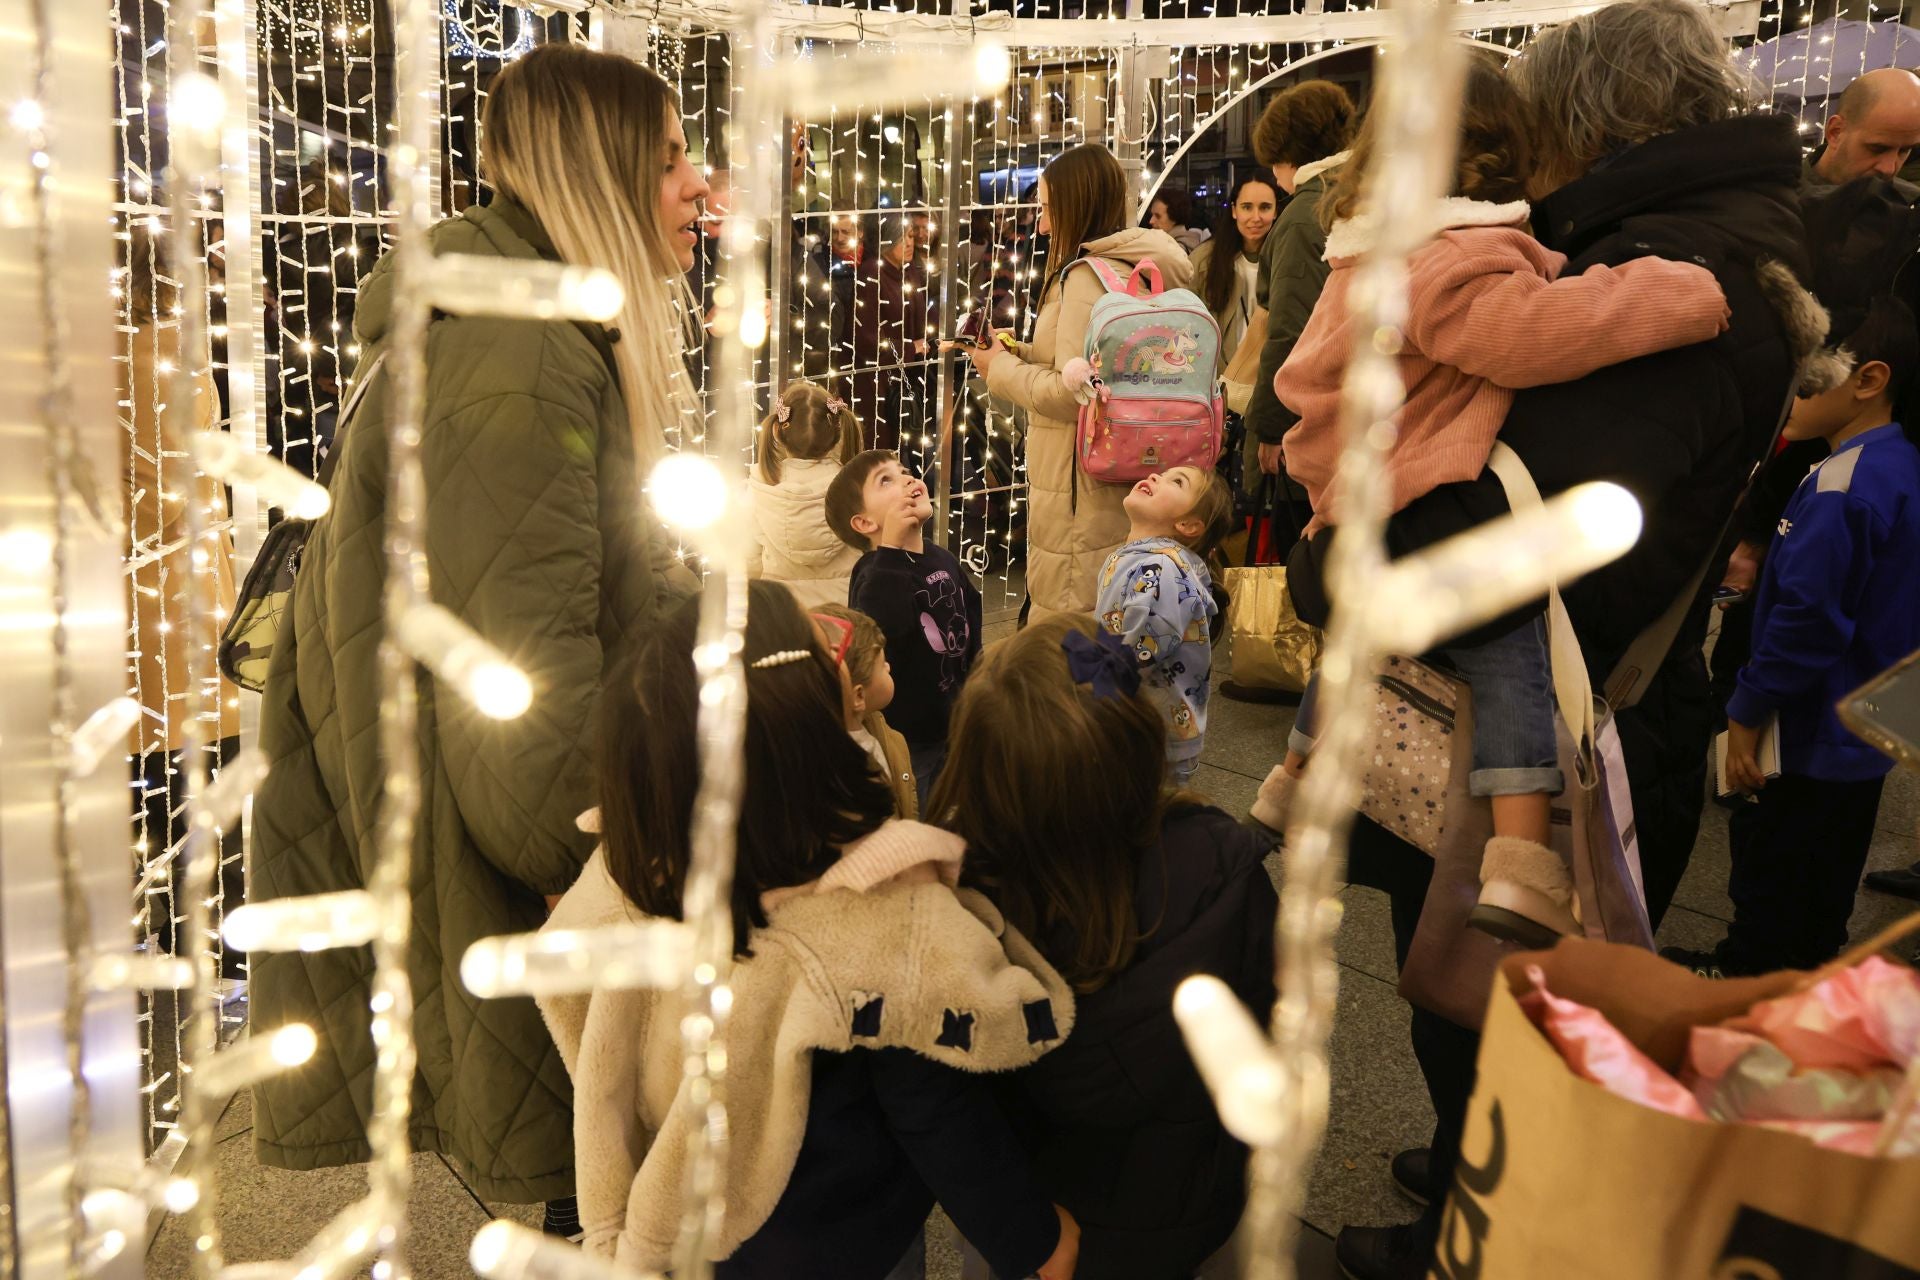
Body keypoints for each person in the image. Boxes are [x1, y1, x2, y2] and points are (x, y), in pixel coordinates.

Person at [1281, 9, 1827, 1276]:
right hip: (1605, 683)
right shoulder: (1698, 240)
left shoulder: (1662, 270)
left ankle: (1482, 1225)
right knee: (1488, 991)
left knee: (1506, 986)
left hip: (1566, 704)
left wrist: (1323, 564)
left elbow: (1524, 545)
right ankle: (1477, 1160)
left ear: (1587, 127)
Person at [246, 44, 708, 1228]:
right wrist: (658, 869)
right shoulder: (524, 351)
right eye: (669, 159)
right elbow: (527, 745)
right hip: (526, 908)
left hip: (490, 878)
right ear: (598, 171)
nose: (699, 184)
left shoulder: (519, 311)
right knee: (589, 1213)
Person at [1265, 52, 1732, 946]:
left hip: (1356, 487)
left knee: (1356, 645)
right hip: (1400, 484)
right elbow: (1531, 334)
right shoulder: (1443, 260)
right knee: (1506, 638)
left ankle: (1293, 773)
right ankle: (1521, 865)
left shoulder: (1371, 243)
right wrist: (1678, 290)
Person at [541, 581, 1080, 1279]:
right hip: (841, 1235)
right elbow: (933, 1106)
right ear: (796, 713)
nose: (838, 642)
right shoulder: (876, 908)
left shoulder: (627, 865)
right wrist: (1030, 1238)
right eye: (821, 639)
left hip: (702, 1221)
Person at [933, 615, 1279, 1279]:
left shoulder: (962, 905)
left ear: (977, 768)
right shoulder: (1219, 860)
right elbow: (1272, 1011)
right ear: (1136, 738)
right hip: (1187, 1202)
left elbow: (951, 1101)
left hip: (1040, 1223)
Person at [1664, 299, 1920, 978]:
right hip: (1865, 728)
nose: (1792, 392)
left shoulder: (1844, 488)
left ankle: (1746, 985)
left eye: (1808, 377)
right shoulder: (1896, 464)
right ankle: (1806, 979)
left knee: (1774, 869)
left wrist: (1746, 713)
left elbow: (1806, 626)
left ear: (1868, 380)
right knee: (1824, 875)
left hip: (1808, 729)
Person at [959, 144, 1193, 619]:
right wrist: (1022, 351)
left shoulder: (1085, 277)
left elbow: (1075, 395)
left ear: (1074, 205)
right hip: (1119, 467)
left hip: (1075, 485)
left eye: (1046, 208)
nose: (1042, 224)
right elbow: (1090, 366)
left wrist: (996, 369)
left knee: (1067, 630)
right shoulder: (1142, 268)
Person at [122, 223, 243, 966]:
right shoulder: (168, 355)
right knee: (199, 781)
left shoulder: (117, 351)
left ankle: (170, 927)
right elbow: (160, 492)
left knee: (160, 784)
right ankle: (213, 944)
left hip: (150, 606)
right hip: (178, 602)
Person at [827, 450, 983, 807]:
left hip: (957, 719)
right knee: (921, 809)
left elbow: (969, 615)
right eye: (887, 480)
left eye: (905, 471)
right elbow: (884, 628)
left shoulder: (940, 557)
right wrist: (892, 550)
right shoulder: (873, 573)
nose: (909, 479)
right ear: (865, 523)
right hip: (911, 736)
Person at [1242, 81, 1356, 520]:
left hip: (1311, 423)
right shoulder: (1361, 198)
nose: (1273, 174)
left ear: (1288, 154)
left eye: (1274, 160)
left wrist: (1271, 428)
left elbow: (1290, 330)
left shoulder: (1304, 216)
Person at [1096, 467, 1234, 786]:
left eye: (1177, 481)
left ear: (1188, 524)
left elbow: (1137, 652)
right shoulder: (1138, 558)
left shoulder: (1161, 570)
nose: (1156, 475)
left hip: (1147, 737)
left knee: (1143, 823)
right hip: (1136, 725)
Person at [747, 381, 864, 608]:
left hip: (783, 613)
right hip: (848, 611)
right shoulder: (857, 486)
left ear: (777, 431)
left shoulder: (757, 489)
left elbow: (749, 559)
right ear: (838, 431)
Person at [814, 603, 918, 819]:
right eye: (882, 664)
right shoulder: (852, 770)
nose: (889, 667)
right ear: (859, 696)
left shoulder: (871, 725)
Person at [851, 209, 938, 455]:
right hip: (878, 384)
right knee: (884, 451)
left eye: (911, 236)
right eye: (903, 238)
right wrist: (910, 348)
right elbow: (866, 339)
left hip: (910, 378)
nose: (910, 242)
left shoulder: (910, 272)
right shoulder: (871, 274)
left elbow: (925, 316)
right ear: (886, 241)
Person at [1188, 173, 1281, 360]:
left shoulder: (1285, 257)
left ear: (1276, 212)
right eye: (1247, 207)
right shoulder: (1204, 260)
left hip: (1269, 372)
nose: (1256, 217)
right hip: (1219, 374)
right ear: (1234, 210)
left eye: (1265, 207)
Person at [1811, 68, 1920, 186]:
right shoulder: (1789, 198)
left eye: (1904, 150)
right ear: (1835, 132)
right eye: (1877, 149)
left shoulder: (1908, 200)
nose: (1889, 169)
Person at [1147, 187, 1209, 253]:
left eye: (1158, 216)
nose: (1151, 221)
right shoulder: (1189, 242)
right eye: (1152, 215)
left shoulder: (1176, 250)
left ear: (1174, 217)